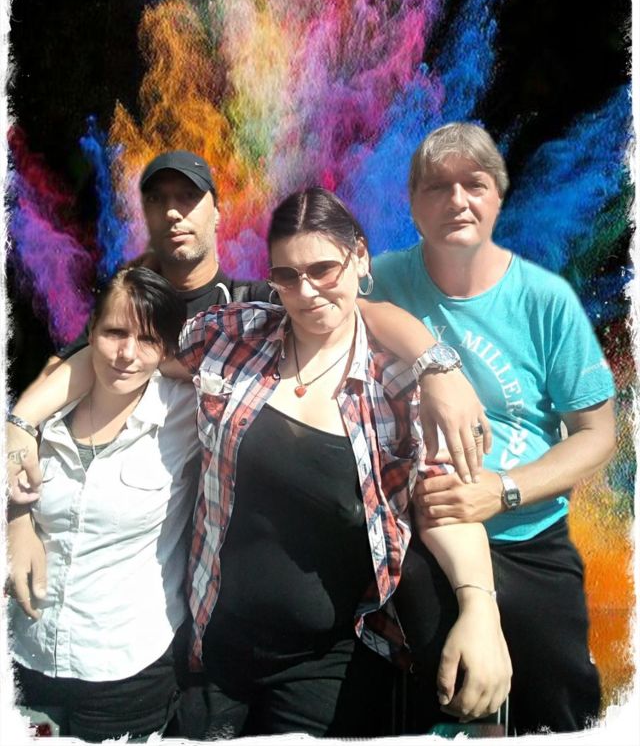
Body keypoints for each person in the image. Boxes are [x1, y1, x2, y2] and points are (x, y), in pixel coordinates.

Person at [169, 186, 510, 737]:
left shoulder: (398, 387)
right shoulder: (233, 336)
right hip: (213, 645)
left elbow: (445, 505)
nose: (305, 292)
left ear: (360, 258)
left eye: (323, 269)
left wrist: (480, 610)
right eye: (286, 276)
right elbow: (128, 355)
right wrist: (26, 423)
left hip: (325, 665)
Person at [369, 122, 617, 735]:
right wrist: (433, 361)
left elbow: (597, 434)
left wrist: (501, 489)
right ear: (413, 205)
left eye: (474, 185)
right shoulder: (383, 278)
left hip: (527, 535)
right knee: (433, 708)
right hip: (420, 540)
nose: (457, 200)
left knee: (559, 710)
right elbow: (321, 299)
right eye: (437, 187)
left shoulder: (545, 300)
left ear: (498, 198)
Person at [7, 267, 201, 741]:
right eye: (114, 332)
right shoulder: (42, 412)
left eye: (148, 339)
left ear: (167, 350)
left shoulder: (186, 412)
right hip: (27, 655)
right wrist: (17, 519)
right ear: (90, 330)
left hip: (127, 671)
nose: (127, 354)